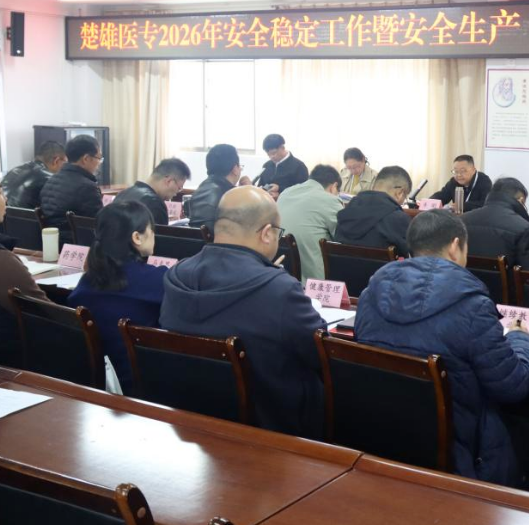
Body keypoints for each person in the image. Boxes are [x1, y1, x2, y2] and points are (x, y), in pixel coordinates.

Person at [354, 210, 529, 486]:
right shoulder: (472, 306)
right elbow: (512, 386)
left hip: (380, 437)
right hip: (459, 451)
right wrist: (520, 338)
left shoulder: (369, 295)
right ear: (455, 246)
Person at [160, 186, 325, 438]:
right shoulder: (279, 290)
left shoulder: (177, 275)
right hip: (271, 430)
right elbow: (321, 355)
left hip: (189, 422)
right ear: (267, 233)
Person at [68, 201, 167, 391]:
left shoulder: (87, 281)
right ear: (137, 237)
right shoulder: (158, 280)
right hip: (145, 386)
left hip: (96, 383)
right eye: (152, 229)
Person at [0, 190, 51, 367]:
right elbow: (42, 309)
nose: (6, 198)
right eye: (1, 192)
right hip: (11, 361)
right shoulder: (3, 261)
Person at [462, 177, 529, 272]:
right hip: (502, 282)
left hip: (465, 280)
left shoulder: (462, 220)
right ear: (521, 200)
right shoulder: (524, 228)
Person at [277, 164, 344, 281]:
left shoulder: (285, 193)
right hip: (314, 280)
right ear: (334, 186)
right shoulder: (329, 200)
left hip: (281, 273)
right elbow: (342, 238)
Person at [335, 165, 413, 257]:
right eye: (405, 197)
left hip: (341, 266)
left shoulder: (347, 210)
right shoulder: (399, 219)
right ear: (399, 193)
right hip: (382, 267)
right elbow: (410, 255)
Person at [39, 135, 104, 243]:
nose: (99, 163)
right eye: (99, 158)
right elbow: (98, 225)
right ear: (86, 159)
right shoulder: (87, 187)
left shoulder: (51, 180)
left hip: (53, 243)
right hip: (77, 244)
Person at [113, 158, 191, 226]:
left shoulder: (123, 194)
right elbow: (159, 237)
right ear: (169, 181)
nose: (176, 193)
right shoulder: (154, 203)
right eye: (179, 188)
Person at [187, 144, 248, 230]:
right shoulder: (230, 195)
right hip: (221, 238)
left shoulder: (200, 189)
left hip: (197, 238)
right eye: (240, 167)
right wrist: (249, 192)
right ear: (235, 169)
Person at [1, 140, 66, 209]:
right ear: (56, 161)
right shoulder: (49, 179)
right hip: (21, 216)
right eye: (65, 162)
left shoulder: (14, 170)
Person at [254, 134, 309, 198]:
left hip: (288, 202)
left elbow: (303, 191)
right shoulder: (266, 165)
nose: (271, 157)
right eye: (268, 154)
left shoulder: (299, 166)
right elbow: (261, 186)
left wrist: (280, 190)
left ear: (282, 147)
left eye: (273, 153)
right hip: (266, 202)